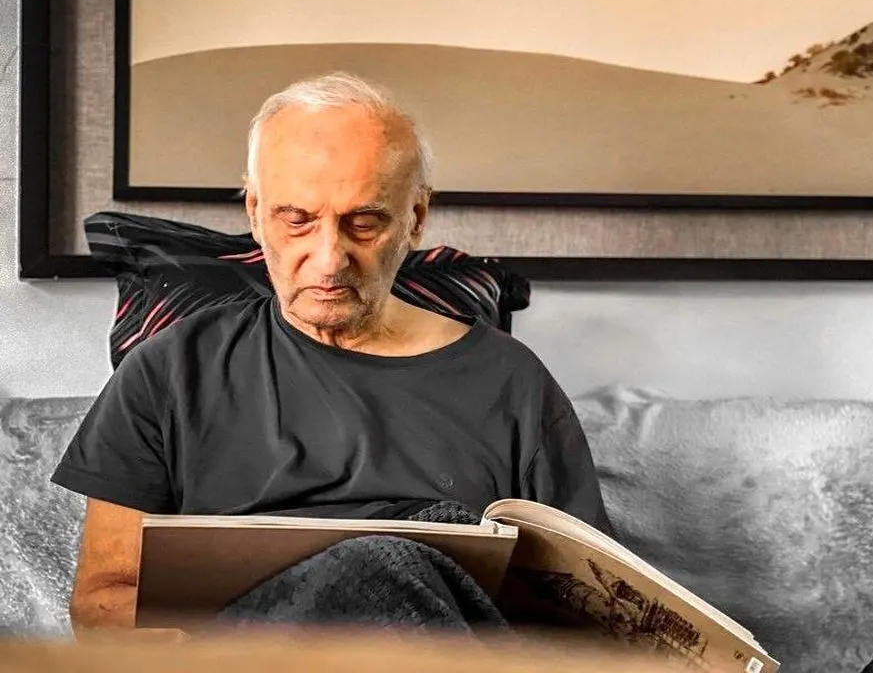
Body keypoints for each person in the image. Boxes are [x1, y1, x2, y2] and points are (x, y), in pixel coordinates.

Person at [51, 71, 612, 633]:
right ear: (254, 213)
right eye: (296, 220)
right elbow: (101, 604)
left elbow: (593, 614)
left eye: (363, 223)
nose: (328, 260)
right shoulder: (167, 372)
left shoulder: (511, 382)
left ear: (415, 219)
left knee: (396, 567)